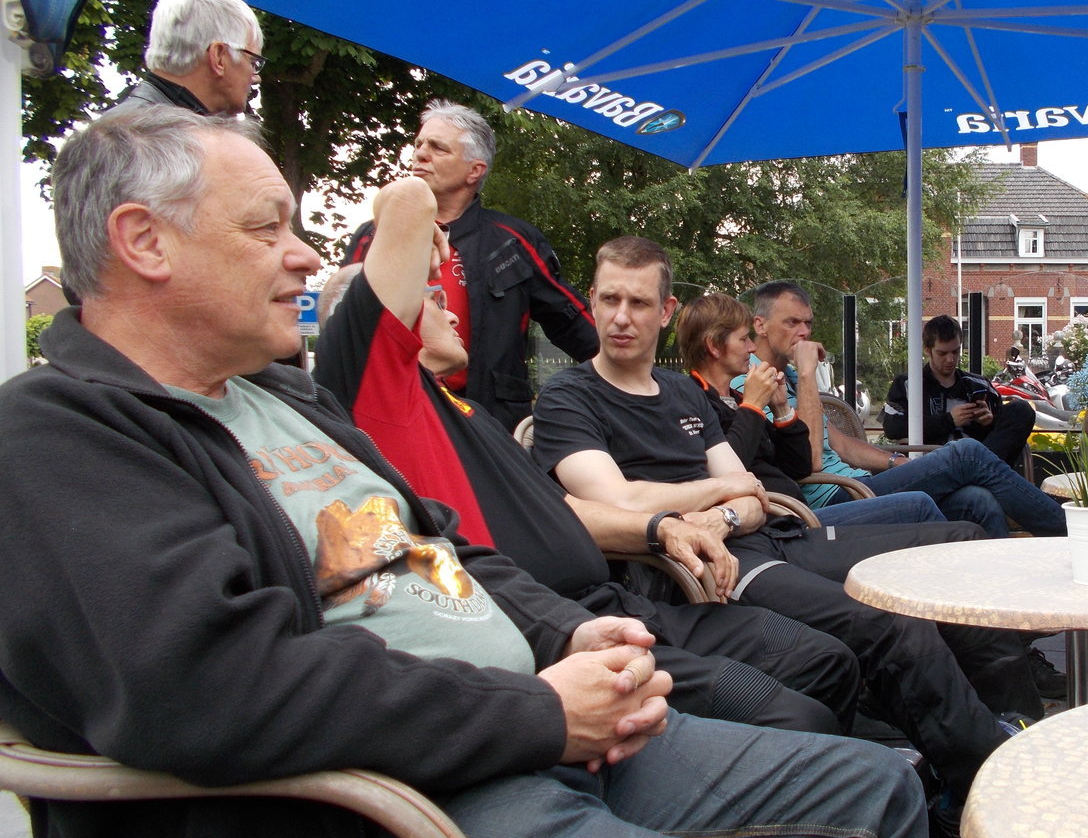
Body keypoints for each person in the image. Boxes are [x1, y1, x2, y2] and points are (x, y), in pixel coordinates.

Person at [0, 109, 930, 838]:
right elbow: (211, 684)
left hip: (530, 738)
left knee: (880, 789)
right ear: (145, 242)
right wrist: (540, 713)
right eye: (265, 228)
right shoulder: (60, 434)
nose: (307, 255)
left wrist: (571, 633)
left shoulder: (281, 398)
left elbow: (447, 547)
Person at [533, 238, 1040, 838]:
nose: (621, 317)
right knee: (889, 623)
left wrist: (721, 508)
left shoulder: (681, 393)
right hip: (706, 571)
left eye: (638, 303)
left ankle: (1013, 726)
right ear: (591, 301)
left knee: (959, 546)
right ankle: (983, 794)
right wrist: (715, 499)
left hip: (767, 535)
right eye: (609, 299)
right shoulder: (569, 398)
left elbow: (747, 492)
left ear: (665, 311)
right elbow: (617, 500)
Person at [314, 181, 860, 734]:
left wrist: (661, 527)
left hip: (621, 597)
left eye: (639, 303)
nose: (454, 314)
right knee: (798, 709)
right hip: (555, 625)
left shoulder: (467, 412)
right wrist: (414, 226)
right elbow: (408, 203)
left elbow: (562, 508)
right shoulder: (385, 401)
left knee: (825, 660)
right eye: (434, 300)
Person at [740, 281, 1069, 539]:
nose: (804, 332)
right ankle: (1071, 532)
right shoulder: (752, 382)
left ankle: (997, 595)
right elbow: (810, 460)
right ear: (761, 325)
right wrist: (808, 374)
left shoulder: (790, 374)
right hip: (831, 501)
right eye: (792, 322)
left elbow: (839, 444)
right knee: (967, 453)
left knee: (977, 500)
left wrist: (898, 462)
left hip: (859, 483)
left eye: (808, 323)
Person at [344, 101, 597, 432]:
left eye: (438, 148)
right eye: (419, 144)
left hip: (490, 421)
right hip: (387, 414)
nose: (420, 154)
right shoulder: (374, 235)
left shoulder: (513, 241)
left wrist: (629, 373)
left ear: (474, 170)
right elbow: (341, 318)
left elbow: (571, 320)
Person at [680, 291, 947, 528]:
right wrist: (756, 404)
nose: (751, 347)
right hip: (797, 519)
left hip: (804, 513)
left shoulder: (741, 396)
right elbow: (733, 469)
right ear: (714, 346)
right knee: (948, 470)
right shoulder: (697, 402)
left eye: (808, 323)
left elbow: (798, 463)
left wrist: (782, 409)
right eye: (743, 339)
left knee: (966, 499)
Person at [884, 314, 1035, 465]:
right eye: (942, 353)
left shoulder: (980, 385)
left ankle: (979, 470)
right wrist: (949, 420)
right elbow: (892, 427)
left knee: (1021, 409)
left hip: (978, 463)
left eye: (955, 352)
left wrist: (988, 423)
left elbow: (1001, 437)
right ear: (927, 350)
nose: (950, 359)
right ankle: (980, 470)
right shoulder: (908, 385)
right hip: (933, 467)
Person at [105, 0, 263, 117]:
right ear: (219, 57)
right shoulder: (158, 136)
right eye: (253, 62)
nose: (257, 78)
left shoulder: (124, 126)